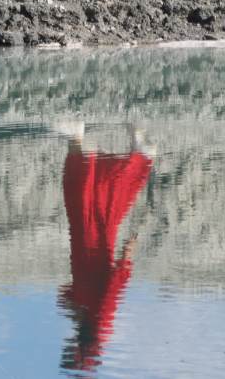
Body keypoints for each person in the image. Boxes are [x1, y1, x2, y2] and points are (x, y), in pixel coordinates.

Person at [56, 123, 153, 375]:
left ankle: (77, 138)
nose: (69, 345)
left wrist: (72, 309)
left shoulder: (86, 324)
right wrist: (126, 256)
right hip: (94, 245)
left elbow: (67, 294)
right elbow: (113, 288)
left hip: (82, 248)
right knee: (85, 195)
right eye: (71, 351)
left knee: (78, 194)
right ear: (82, 351)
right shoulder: (99, 324)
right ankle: (136, 151)